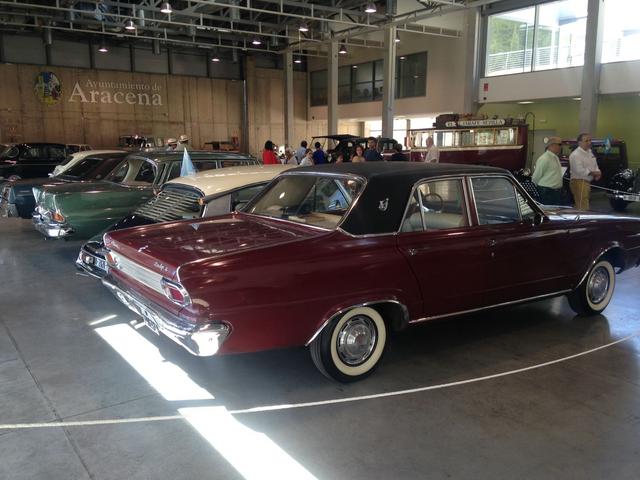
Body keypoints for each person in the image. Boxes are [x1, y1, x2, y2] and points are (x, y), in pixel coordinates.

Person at [569, 133, 601, 210]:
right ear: (579, 142)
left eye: (590, 140)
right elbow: (579, 170)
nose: (589, 142)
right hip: (579, 182)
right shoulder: (575, 155)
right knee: (582, 206)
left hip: (586, 182)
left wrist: (598, 172)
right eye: (586, 141)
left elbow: (595, 165)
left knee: (583, 204)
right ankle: (581, 221)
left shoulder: (589, 152)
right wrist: (594, 173)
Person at [532, 136, 564, 205]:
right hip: (547, 192)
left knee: (554, 213)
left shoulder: (555, 157)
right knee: (547, 213)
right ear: (551, 145)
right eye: (560, 144)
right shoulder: (545, 158)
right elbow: (536, 177)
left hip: (555, 192)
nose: (561, 147)